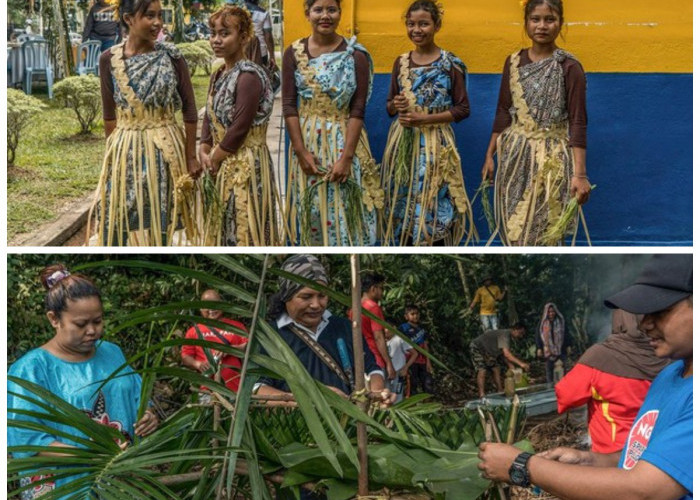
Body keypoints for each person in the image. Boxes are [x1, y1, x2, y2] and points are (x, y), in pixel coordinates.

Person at [478, 254, 692, 500]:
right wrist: (590, 459)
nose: (644, 324)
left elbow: (643, 490)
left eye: (661, 310)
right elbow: (643, 456)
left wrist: (522, 466)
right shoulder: (669, 373)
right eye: (642, 313)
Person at [7, 265, 158, 498]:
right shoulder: (30, 370)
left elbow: (137, 395)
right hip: (66, 488)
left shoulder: (112, 352)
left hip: (117, 481)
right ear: (54, 319)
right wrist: (90, 454)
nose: (92, 331)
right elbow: (27, 440)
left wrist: (147, 415)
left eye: (97, 321)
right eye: (80, 324)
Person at [89, 0, 200, 246]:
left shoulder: (172, 56)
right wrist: (113, 158)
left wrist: (190, 156)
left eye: (160, 15)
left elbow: (190, 109)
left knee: (162, 219)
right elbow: (109, 115)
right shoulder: (109, 59)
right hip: (126, 150)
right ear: (129, 19)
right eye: (150, 16)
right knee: (115, 218)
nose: (158, 22)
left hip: (164, 151)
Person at [481, 0, 591, 246]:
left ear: (560, 23)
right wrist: (490, 155)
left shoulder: (569, 67)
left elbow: (577, 121)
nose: (542, 26)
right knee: (514, 227)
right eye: (536, 19)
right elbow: (503, 112)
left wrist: (580, 175)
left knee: (546, 227)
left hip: (552, 161)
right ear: (526, 23)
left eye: (549, 20)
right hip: (515, 158)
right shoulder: (513, 63)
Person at [282, 0, 383, 246]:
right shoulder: (293, 53)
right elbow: (288, 105)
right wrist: (300, 151)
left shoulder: (356, 55)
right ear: (307, 13)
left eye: (332, 9)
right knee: (314, 210)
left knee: (347, 209)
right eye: (318, 10)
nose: (325, 16)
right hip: (308, 143)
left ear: (340, 13)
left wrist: (346, 158)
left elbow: (358, 110)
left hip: (344, 142)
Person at [380, 0, 474, 246]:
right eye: (411, 24)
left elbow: (463, 109)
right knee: (404, 194)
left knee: (436, 195)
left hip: (436, 145)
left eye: (424, 24)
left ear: (437, 25)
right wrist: (397, 105)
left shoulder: (450, 64)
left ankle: (434, 242)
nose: (417, 30)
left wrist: (426, 119)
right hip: (404, 144)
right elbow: (389, 106)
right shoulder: (400, 63)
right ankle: (407, 243)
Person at [255, 255, 393, 405]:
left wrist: (378, 394)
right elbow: (257, 389)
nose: (316, 304)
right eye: (306, 297)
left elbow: (372, 369)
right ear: (287, 296)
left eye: (322, 296)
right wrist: (311, 401)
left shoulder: (345, 327)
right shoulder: (269, 335)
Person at [198, 5, 281, 246]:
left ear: (244, 37)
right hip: (222, 160)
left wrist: (214, 158)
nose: (216, 40)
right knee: (225, 223)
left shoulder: (249, 76)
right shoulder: (219, 73)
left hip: (245, 162)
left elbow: (239, 128)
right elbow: (210, 114)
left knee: (246, 224)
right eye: (213, 33)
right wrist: (203, 148)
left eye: (225, 34)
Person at [555, 309, 671, 453]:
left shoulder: (599, 357)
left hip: (610, 455)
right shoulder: (666, 356)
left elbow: (566, 395)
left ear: (618, 321)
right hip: (655, 452)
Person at [181, 289, 248, 399]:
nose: (211, 309)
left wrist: (230, 349)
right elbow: (185, 357)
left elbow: (250, 347)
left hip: (236, 389)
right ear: (201, 308)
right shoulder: (194, 331)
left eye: (215, 304)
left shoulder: (236, 327)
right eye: (207, 305)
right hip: (207, 390)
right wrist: (198, 364)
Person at [350, 272, 395, 379]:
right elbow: (378, 337)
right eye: (381, 288)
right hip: (375, 359)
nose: (382, 292)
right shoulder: (373, 308)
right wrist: (389, 363)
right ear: (373, 289)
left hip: (360, 359)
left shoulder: (354, 309)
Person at [469, 324, 529, 398]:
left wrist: (512, 367)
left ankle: (500, 390)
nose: (521, 336)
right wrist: (521, 364)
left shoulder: (509, 338)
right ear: (515, 330)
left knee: (496, 369)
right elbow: (507, 354)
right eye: (520, 333)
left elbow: (504, 355)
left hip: (490, 352)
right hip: (478, 347)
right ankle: (482, 394)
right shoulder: (504, 335)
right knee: (482, 370)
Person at [398, 304, 434, 395]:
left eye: (417, 313)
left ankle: (428, 404)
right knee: (412, 384)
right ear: (406, 316)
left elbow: (425, 345)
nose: (415, 316)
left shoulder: (422, 329)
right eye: (412, 314)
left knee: (428, 383)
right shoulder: (403, 328)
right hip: (410, 360)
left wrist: (428, 362)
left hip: (422, 360)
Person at [536, 302, 568, 383]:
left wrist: (568, 345)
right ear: (546, 312)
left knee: (563, 370)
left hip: (560, 349)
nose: (551, 313)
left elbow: (566, 333)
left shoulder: (560, 321)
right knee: (549, 371)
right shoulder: (542, 323)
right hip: (548, 351)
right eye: (549, 312)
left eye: (553, 311)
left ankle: (563, 387)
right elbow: (538, 336)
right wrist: (539, 348)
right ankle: (550, 388)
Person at [385, 327, 418, 403]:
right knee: (386, 396)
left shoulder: (399, 339)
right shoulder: (382, 341)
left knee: (397, 397)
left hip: (398, 373)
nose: (384, 331)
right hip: (387, 373)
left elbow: (415, 354)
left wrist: (405, 367)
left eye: (386, 328)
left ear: (393, 328)